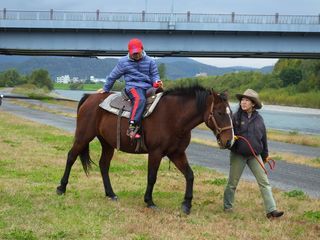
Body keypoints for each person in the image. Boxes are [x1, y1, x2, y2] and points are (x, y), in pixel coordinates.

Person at [223, 89, 284, 219]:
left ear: (253, 104)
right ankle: (228, 207)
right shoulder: (235, 117)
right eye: (242, 100)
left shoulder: (259, 119)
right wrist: (230, 144)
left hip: (255, 156)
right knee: (232, 183)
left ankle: (271, 210)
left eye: (247, 100)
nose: (243, 102)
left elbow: (263, 139)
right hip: (238, 155)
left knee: (264, 182)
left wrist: (265, 155)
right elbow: (228, 136)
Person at [99, 38, 162, 139]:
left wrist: (157, 82)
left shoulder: (150, 61)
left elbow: (155, 75)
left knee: (163, 98)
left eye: (137, 53)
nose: (136, 55)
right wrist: (106, 88)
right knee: (140, 99)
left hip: (149, 87)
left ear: (142, 49)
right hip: (133, 87)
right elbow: (113, 76)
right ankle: (132, 126)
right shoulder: (123, 62)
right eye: (133, 53)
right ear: (129, 52)